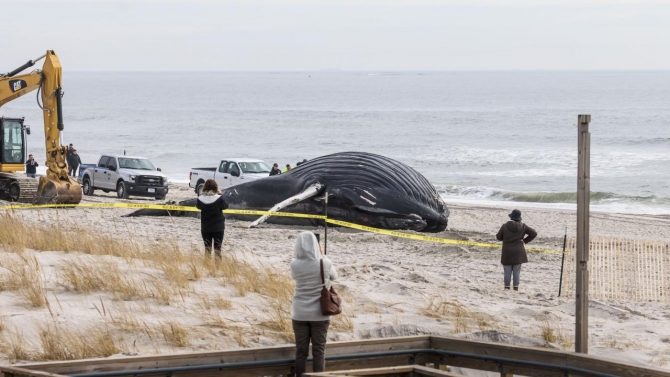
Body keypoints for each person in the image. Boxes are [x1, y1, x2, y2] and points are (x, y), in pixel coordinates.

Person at [291, 231, 338, 377]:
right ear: (316, 245)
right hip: (320, 314)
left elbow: (296, 276)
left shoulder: (294, 264)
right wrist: (323, 255)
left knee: (300, 352)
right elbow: (335, 276)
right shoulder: (325, 262)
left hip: (299, 313)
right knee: (319, 352)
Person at [496, 209, 537, 291]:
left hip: (507, 251)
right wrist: (525, 240)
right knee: (516, 272)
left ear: (511, 217)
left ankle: (507, 287)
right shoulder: (523, 226)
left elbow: (498, 237)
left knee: (507, 271)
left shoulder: (504, 226)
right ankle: (515, 288)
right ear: (519, 218)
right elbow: (534, 233)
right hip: (518, 251)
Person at [195, 179, 229, 258]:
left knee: (207, 250)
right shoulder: (219, 198)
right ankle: (217, 269)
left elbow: (198, 206)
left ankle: (207, 267)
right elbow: (226, 206)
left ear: (205, 187)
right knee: (217, 250)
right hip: (218, 228)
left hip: (206, 228)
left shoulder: (200, 199)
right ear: (215, 188)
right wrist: (220, 193)